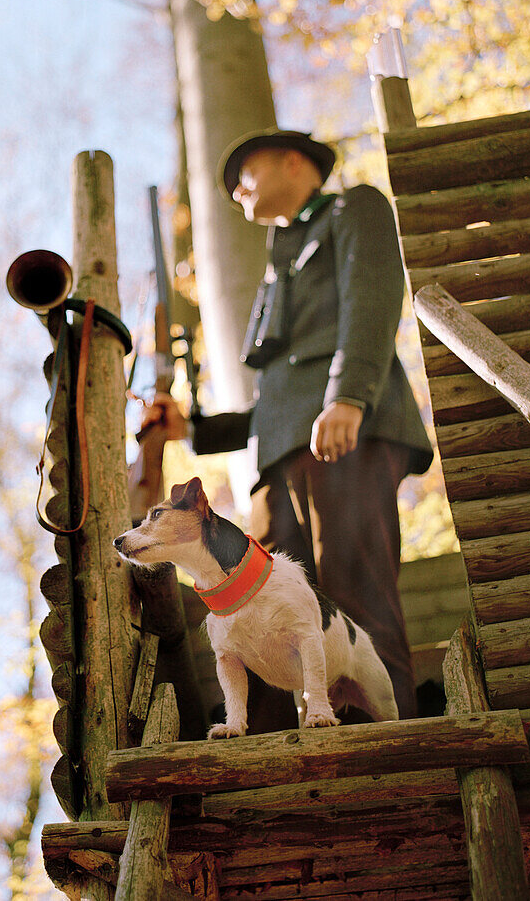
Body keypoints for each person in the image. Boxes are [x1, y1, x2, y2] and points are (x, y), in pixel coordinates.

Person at [144, 129, 433, 721]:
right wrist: (192, 432)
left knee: (355, 598)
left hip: (344, 430)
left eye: (245, 174)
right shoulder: (280, 257)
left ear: (295, 162)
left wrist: (350, 396)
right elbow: (277, 399)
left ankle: (389, 745)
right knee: (263, 610)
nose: (236, 192)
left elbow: (372, 300)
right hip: (279, 455)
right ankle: (294, 756)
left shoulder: (352, 208)